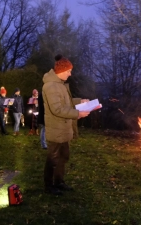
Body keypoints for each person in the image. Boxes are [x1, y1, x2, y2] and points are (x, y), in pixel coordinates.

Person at [42, 55, 90, 195]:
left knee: (63, 157)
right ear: (61, 71)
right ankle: (49, 186)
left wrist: (80, 101)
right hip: (56, 129)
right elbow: (57, 109)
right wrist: (77, 114)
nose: (70, 74)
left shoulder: (60, 85)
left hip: (63, 129)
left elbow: (66, 103)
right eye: (68, 71)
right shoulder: (51, 86)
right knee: (53, 159)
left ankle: (59, 182)